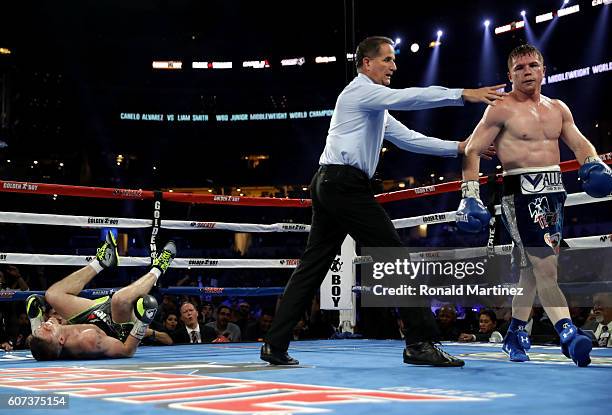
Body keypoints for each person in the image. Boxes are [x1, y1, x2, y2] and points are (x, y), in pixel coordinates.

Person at [261, 35, 507, 367]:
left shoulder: (372, 104)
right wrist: (462, 93)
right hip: (343, 184)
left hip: (330, 182)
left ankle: (274, 345)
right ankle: (420, 342)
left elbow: (408, 138)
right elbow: (411, 97)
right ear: (367, 63)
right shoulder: (361, 91)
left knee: (312, 265)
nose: (394, 65)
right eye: (387, 59)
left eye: (393, 59)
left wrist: (459, 147)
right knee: (394, 257)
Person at [456, 44, 612, 367]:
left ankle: (515, 333)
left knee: (530, 269)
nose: (527, 71)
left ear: (543, 70)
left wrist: (592, 162)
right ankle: (567, 333)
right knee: (545, 266)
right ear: (509, 75)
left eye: (533, 65)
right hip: (520, 193)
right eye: (519, 68)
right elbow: (472, 149)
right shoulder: (500, 109)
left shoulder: (558, 108)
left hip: (555, 193)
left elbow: (579, 142)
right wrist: (470, 193)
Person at [26, 231, 176, 360]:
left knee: (52, 294)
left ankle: (102, 261)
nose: (44, 325)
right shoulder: (87, 341)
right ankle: (159, 268)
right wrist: (142, 323)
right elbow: (126, 351)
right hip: (115, 329)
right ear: (61, 340)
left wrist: (35, 321)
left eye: (39, 329)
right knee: (119, 299)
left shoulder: (48, 340)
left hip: (91, 316)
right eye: (47, 330)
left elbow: (41, 344)